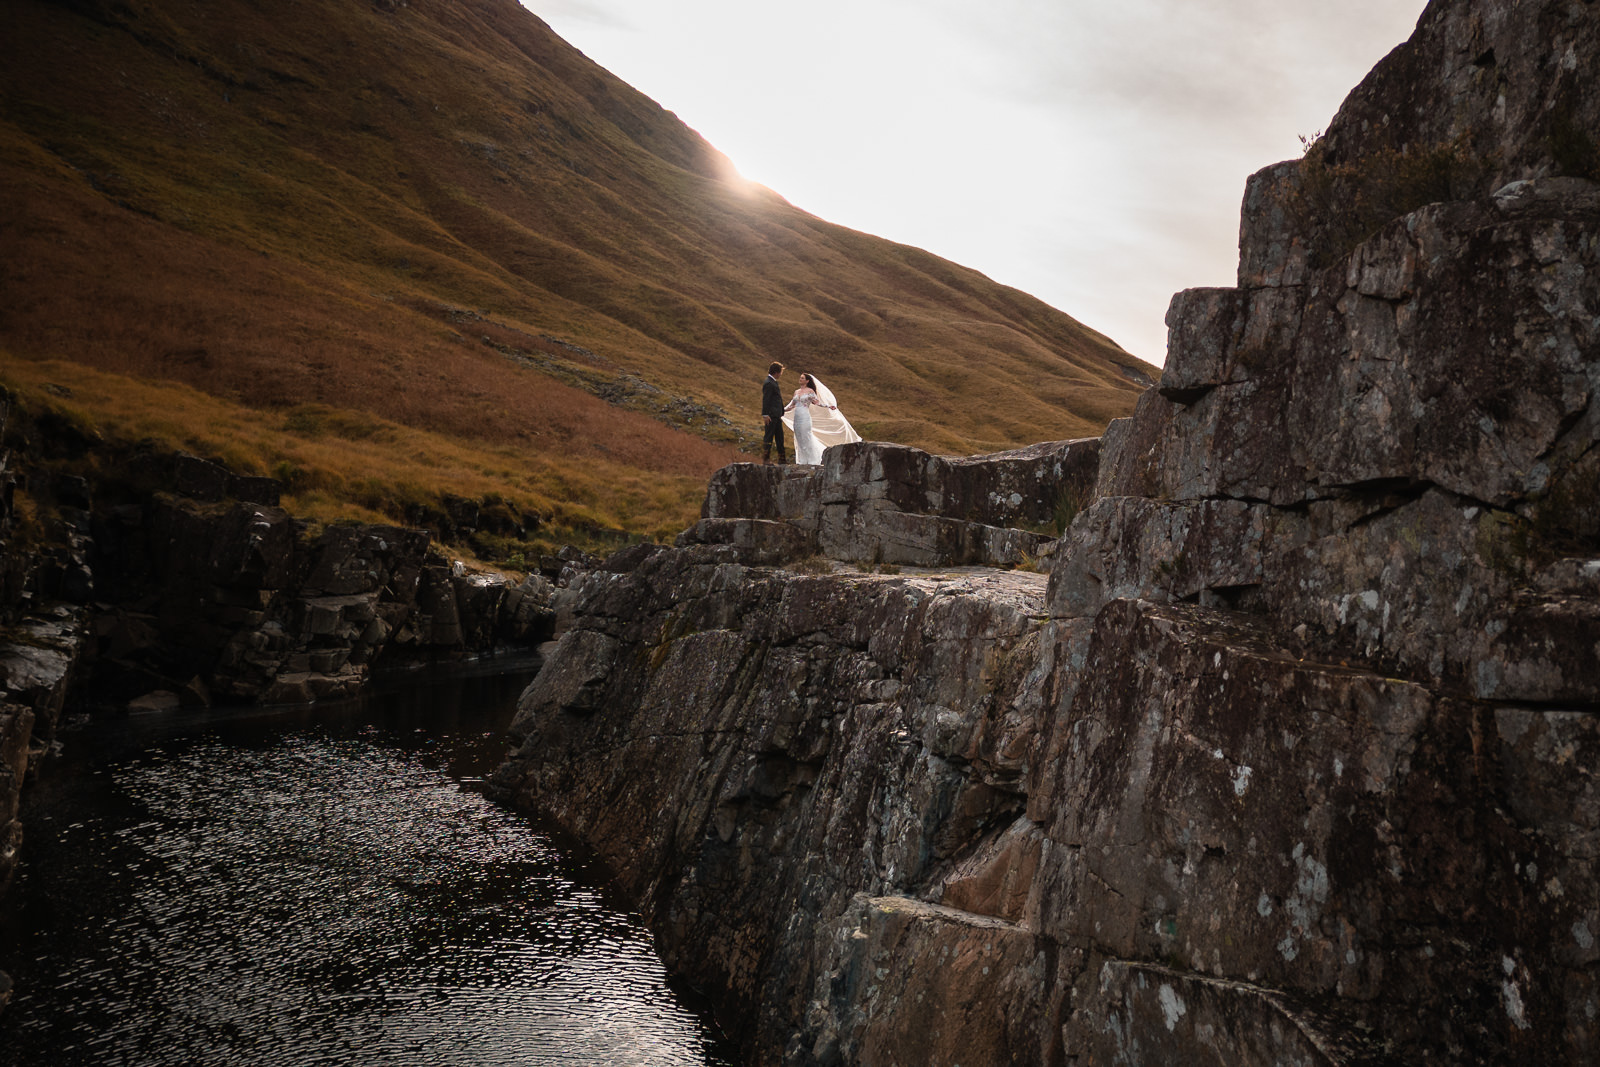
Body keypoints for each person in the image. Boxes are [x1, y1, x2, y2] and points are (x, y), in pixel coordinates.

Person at [783, 372, 862, 465]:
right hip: (797, 417)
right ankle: (803, 460)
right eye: (800, 378)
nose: (800, 379)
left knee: (806, 436)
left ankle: (813, 459)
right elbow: (792, 405)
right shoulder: (796, 392)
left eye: (802, 378)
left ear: (807, 381)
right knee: (799, 437)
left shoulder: (810, 391)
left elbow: (817, 402)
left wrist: (828, 406)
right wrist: (781, 411)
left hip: (805, 416)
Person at [761, 361, 787, 464]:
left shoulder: (772, 382)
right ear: (776, 372)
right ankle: (766, 459)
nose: (781, 374)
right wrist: (765, 414)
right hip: (771, 415)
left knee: (780, 437)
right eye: (780, 372)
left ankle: (782, 459)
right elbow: (766, 399)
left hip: (776, 415)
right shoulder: (768, 383)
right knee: (769, 436)